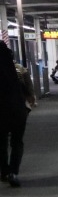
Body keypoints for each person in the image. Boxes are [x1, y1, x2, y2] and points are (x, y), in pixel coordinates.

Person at [0, 41, 36, 187]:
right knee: (17, 142)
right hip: (17, 111)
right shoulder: (12, 70)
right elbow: (23, 88)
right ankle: (13, 173)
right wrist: (30, 98)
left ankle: (4, 172)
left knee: (1, 143)